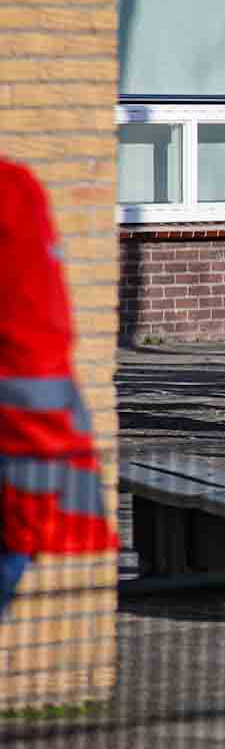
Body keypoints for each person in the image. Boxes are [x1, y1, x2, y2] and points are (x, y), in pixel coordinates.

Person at [0, 159, 118, 618]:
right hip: (33, 418)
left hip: (31, 415)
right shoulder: (17, 188)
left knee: (19, 541)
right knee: (19, 541)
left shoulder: (16, 189)